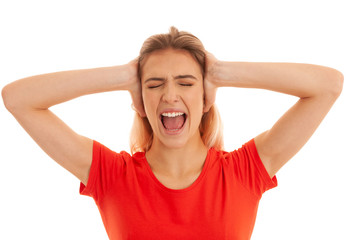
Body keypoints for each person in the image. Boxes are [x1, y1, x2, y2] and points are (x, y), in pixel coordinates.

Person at [2, 27, 343, 240]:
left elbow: (328, 86)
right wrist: (123, 76)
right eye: (154, 84)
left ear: (206, 96)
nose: (169, 95)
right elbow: (18, 98)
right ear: (140, 98)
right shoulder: (112, 176)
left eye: (185, 82)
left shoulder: (243, 173)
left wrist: (222, 71)